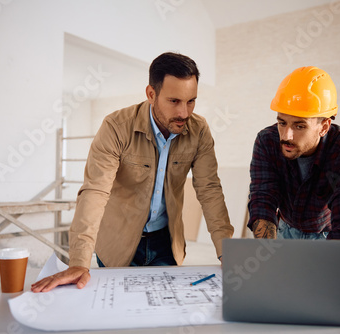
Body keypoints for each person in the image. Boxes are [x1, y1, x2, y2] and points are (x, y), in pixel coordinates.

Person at [32, 52, 233, 292]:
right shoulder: (116, 127)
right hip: (117, 244)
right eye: (174, 101)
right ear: (151, 94)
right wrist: (78, 261)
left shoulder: (198, 131)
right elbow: (95, 192)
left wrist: (227, 253)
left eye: (191, 101)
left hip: (166, 244)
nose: (184, 113)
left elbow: (209, 190)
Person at [248, 66, 340, 241]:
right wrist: (267, 253)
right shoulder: (267, 141)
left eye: (300, 126)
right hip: (284, 229)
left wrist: (339, 262)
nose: (286, 136)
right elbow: (263, 196)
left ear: (324, 127)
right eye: (282, 123)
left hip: (328, 235)